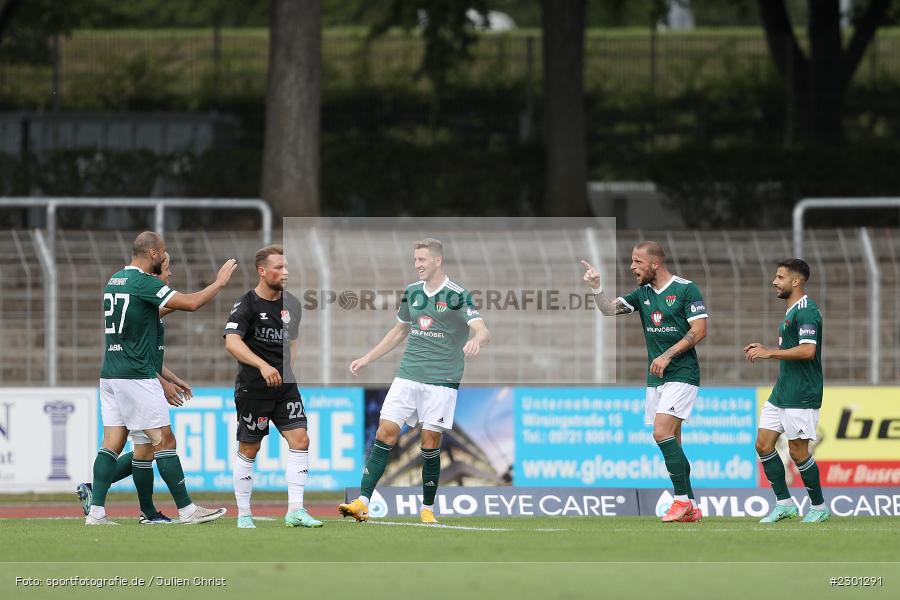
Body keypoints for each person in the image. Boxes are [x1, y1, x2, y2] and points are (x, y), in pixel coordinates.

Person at [86, 231, 236, 525]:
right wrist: (218, 283)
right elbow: (191, 303)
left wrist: (170, 377)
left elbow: (149, 317)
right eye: (164, 253)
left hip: (111, 374)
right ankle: (188, 510)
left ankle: (97, 512)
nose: (166, 263)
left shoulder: (115, 280)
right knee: (164, 440)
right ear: (153, 253)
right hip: (136, 376)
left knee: (113, 442)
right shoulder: (143, 282)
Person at [339, 238, 490, 524]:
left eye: (422, 259)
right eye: (415, 260)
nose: (417, 264)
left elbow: (483, 330)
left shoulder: (457, 295)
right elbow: (399, 332)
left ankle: (427, 508)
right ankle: (362, 501)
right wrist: (368, 358)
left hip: (441, 381)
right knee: (385, 432)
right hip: (408, 376)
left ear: (437, 261)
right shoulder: (412, 293)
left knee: (430, 443)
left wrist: (476, 341)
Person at [582, 241, 708, 523]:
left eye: (637, 262)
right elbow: (607, 310)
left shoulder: (686, 289)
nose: (631, 267)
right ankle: (692, 506)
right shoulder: (643, 294)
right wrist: (596, 287)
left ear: (655, 264)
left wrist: (667, 355)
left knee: (661, 432)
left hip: (683, 374)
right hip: (657, 379)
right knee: (673, 440)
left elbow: (699, 330)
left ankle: (680, 501)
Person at [76, 251, 191, 524]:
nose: (170, 274)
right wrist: (162, 384)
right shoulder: (145, 294)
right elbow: (136, 355)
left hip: (126, 378)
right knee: (151, 446)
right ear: (154, 273)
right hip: (136, 382)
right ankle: (155, 511)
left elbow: (145, 351)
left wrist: (170, 378)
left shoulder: (144, 304)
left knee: (138, 448)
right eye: (167, 268)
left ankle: (104, 499)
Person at [224, 244, 322, 529]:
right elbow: (232, 342)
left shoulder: (292, 305)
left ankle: (295, 511)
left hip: (285, 386)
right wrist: (263, 366)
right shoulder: (247, 304)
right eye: (279, 267)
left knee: (300, 439)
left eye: (286, 267)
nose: (285, 272)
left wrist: (284, 368)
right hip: (253, 389)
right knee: (250, 448)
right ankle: (243, 513)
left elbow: (293, 343)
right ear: (262, 271)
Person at [744, 258, 829, 523]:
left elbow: (808, 350)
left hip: (801, 393)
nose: (774, 281)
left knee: (798, 452)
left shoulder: (807, 311)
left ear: (796, 281)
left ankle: (819, 507)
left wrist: (770, 352)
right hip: (782, 391)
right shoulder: (792, 310)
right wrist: (770, 349)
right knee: (763, 444)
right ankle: (784, 504)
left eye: (780, 277)